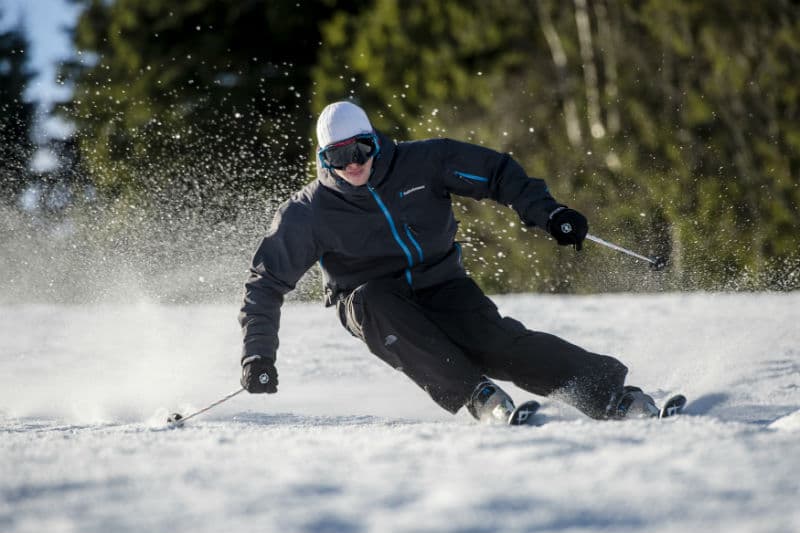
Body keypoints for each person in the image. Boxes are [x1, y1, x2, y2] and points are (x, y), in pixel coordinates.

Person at [238, 101, 658, 424]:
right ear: (322, 158)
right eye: (338, 156)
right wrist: (257, 357)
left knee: (498, 343)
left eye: (361, 149)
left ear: (374, 141)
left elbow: (496, 173)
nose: (353, 164)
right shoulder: (308, 211)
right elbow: (265, 283)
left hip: (442, 283)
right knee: (377, 302)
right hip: (370, 302)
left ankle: (611, 396)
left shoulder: (422, 162)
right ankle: (479, 397)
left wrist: (548, 213)